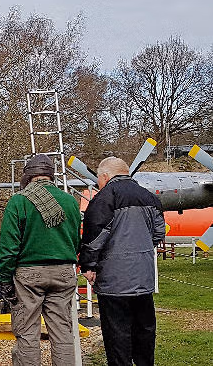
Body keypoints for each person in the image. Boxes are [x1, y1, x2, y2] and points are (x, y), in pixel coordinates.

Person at [79, 156, 165, 366]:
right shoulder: (149, 197)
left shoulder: (104, 198)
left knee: (117, 336)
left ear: (106, 176)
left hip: (114, 281)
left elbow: (94, 236)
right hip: (144, 279)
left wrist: (88, 265)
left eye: (98, 179)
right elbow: (159, 232)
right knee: (144, 332)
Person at [0, 154, 81, 366]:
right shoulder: (70, 201)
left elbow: (8, 247)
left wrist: (5, 279)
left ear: (28, 176)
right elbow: (76, 239)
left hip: (29, 274)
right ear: (51, 176)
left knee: (27, 334)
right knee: (62, 333)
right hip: (63, 271)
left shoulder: (19, 201)